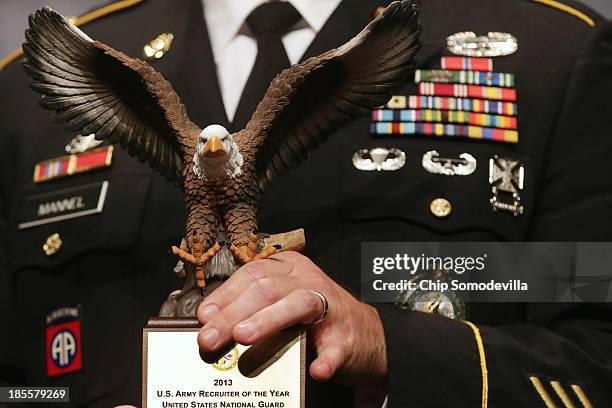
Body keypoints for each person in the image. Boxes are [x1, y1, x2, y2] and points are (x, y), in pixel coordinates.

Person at [1, 0, 611, 407]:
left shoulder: (549, 54)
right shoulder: (24, 91)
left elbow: (595, 359)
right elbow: (15, 390)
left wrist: (386, 342)